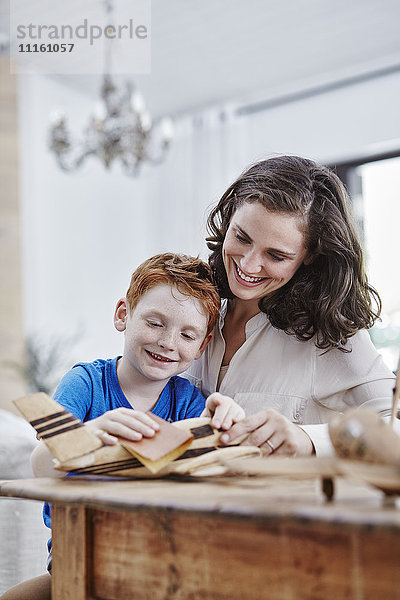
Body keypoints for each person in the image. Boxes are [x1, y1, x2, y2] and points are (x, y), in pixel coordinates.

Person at [1, 253, 244, 600]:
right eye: (155, 323)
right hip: (80, 551)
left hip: (160, 556)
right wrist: (86, 436)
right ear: (123, 315)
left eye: (187, 334)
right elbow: (40, 467)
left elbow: (204, 478)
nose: (167, 341)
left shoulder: (190, 401)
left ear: (202, 345)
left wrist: (223, 424)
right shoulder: (85, 383)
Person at [186, 155, 396, 457]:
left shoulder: (328, 336)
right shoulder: (191, 307)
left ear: (309, 254)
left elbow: (394, 425)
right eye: (242, 237)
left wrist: (308, 439)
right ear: (231, 211)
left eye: (276, 256)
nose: (248, 264)